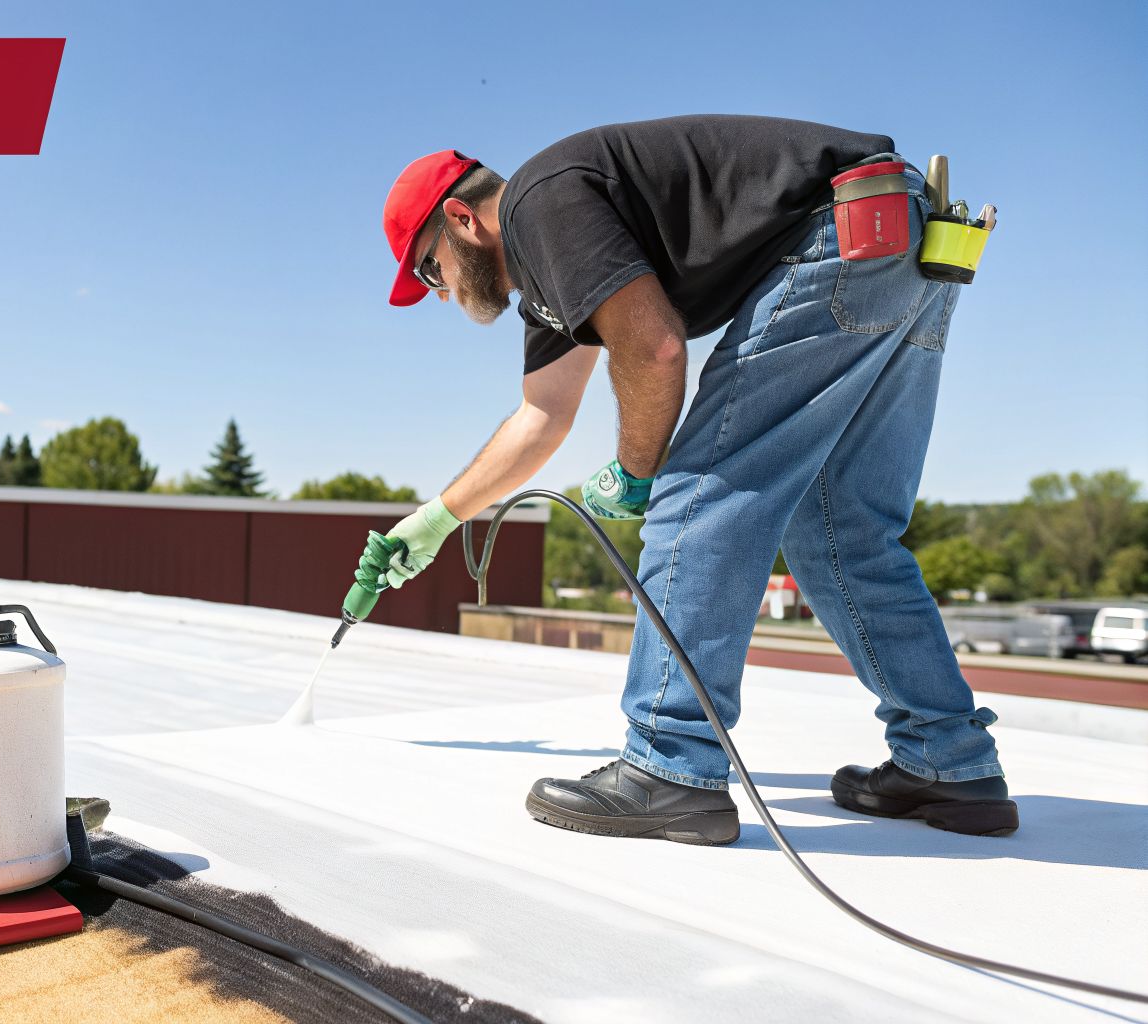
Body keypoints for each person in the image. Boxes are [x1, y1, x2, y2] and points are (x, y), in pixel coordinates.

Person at [355, 115, 1015, 845]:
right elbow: (541, 416)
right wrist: (434, 521)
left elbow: (656, 349)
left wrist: (640, 475)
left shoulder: (538, 204)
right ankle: (949, 760)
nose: (440, 294)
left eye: (428, 270)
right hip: (903, 243)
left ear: (460, 218)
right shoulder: (550, 283)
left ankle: (670, 768)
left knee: (693, 498)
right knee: (844, 530)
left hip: (842, 237)